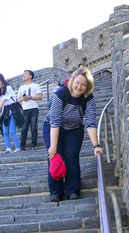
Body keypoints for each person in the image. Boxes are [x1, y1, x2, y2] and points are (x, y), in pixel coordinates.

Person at [42, 67, 103, 201]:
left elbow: (90, 122)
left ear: (87, 87)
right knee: (55, 156)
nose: (79, 87)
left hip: (74, 129)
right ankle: (55, 192)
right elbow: (55, 121)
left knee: (72, 158)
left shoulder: (89, 99)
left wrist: (96, 145)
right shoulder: (61, 94)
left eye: (83, 85)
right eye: (77, 82)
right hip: (53, 127)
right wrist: (53, 146)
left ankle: (73, 190)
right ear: (72, 81)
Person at [0, 72, 21, 153]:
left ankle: (17, 148)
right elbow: (2, 105)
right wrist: (1, 113)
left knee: (12, 130)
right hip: (5, 112)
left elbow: (3, 101)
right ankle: (8, 148)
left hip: (13, 110)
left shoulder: (8, 88)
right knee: (5, 132)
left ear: (2, 80)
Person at [17, 69, 42, 150]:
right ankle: (22, 146)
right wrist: (23, 99)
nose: (23, 75)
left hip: (34, 108)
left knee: (34, 127)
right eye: (23, 74)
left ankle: (34, 145)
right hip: (25, 109)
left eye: (26, 74)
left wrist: (30, 97)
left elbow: (40, 97)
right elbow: (18, 100)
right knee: (24, 128)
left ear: (30, 76)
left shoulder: (36, 86)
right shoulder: (21, 87)